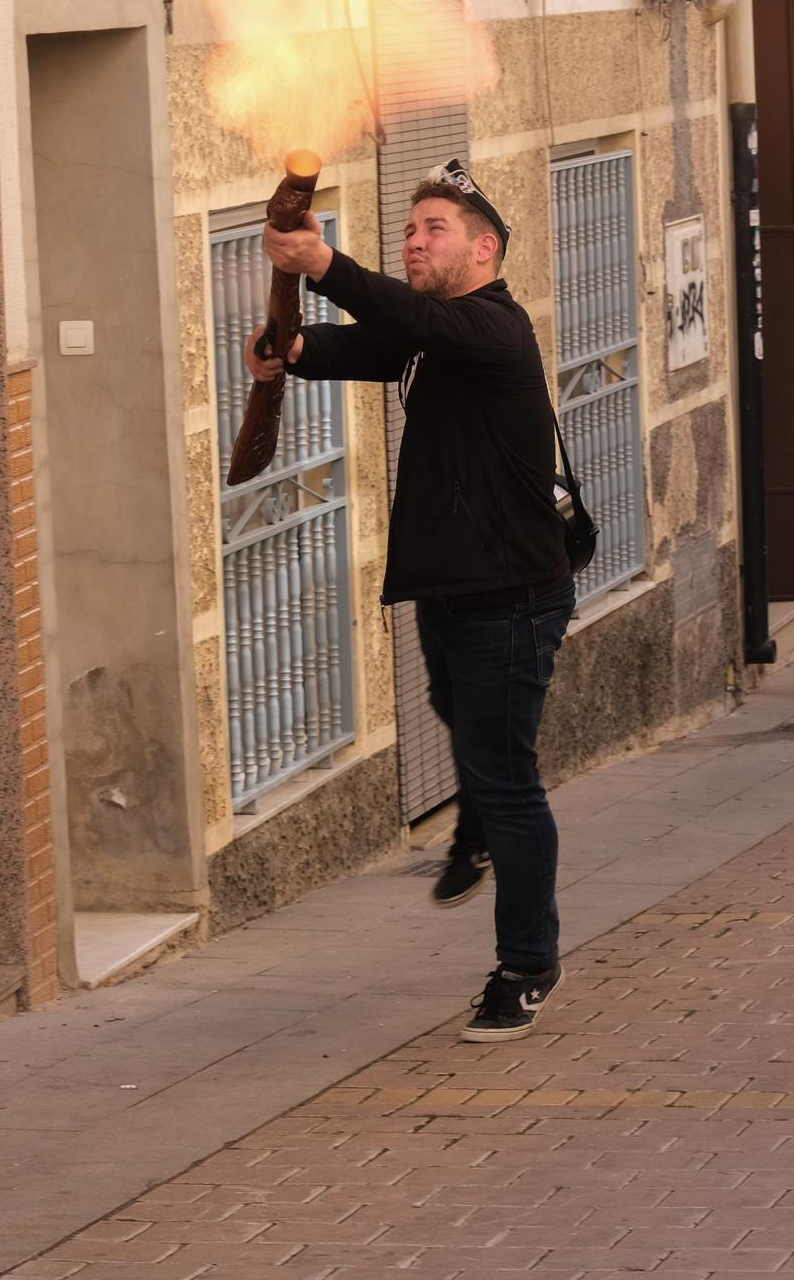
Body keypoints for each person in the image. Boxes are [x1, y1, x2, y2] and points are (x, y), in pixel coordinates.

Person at [250, 161, 576, 1043]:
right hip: (451, 587)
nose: (416, 238)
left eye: (435, 227)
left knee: (507, 777)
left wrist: (324, 264)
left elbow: (412, 318)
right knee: (455, 715)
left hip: (511, 597)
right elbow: (377, 344)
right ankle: (477, 816)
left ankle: (527, 964)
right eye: (411, 227)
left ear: (485, 248)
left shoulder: (492, 329)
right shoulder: (433, 337)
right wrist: (298, 350)